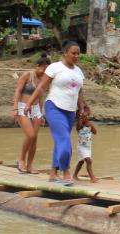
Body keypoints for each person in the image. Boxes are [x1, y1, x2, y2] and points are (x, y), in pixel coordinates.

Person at [25, 40, 85, 186]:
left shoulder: (78, 71)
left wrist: (82, 109)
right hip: (54, 107)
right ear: (65, 53)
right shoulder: (54, 67)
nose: (76, 56)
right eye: (73, 53)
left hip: (70, 111)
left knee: (60, 142)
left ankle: (53, 173)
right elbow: (40, 88)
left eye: (78, 53)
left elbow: (80, 91)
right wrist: (29, 103)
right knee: (65, 140)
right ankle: (66, 173)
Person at [12, 52, 51, 174]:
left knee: (35, 139)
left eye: (47, 70)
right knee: (30, 135)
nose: (44, 72)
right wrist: (15, 109)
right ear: (37, 66)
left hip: (36, 109)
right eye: (43, 69)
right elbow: (18, 91)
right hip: (23, 107)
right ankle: (21, 160)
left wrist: (42, 113)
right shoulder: (27, 75)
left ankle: (30, 165)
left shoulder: (44, 80)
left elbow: (40, 97)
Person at [74, 105, 98, 183]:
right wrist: (81, 120)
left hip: (88, 147)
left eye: (87, 116)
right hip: (81, 147)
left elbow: (95, 132)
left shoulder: (89, 124)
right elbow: (78, 128)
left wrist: (91, 126)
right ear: (80, 117)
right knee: (88, 160)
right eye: (83, 116)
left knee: (81, 162)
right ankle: (92, 177)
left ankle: (74, 175)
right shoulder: (79, 125)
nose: (85, 118)